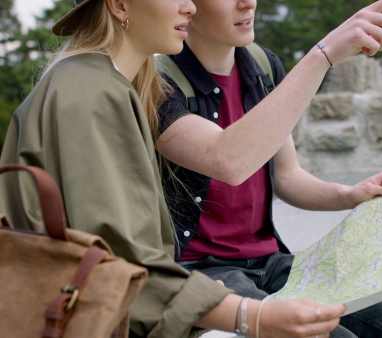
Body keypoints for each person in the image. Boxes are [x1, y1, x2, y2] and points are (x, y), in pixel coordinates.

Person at [0, 0, 348, 337]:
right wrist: (252, 316)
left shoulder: (93, 81)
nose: (190, 7)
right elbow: (119, 266)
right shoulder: (92, 94)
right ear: (119, 6)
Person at [155, 0, 382, 337]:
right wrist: (323, 54)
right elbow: (227, 161)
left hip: (269, 262)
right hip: (200, 270)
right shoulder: (157, 80)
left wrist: (348, 194)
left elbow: (286, 175)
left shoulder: (262, 66)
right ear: (187, 5)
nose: (248, 3)